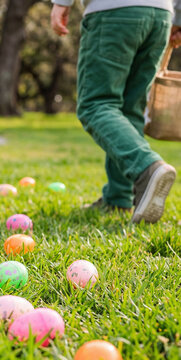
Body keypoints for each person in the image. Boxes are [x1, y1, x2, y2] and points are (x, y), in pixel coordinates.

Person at [51, 0, 181, 223]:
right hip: (160, 14)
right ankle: (118, 199)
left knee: (95, 104)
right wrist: (177, 17)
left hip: (113, 11)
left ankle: (146, 167)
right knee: (131, 109)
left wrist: (61, 3)